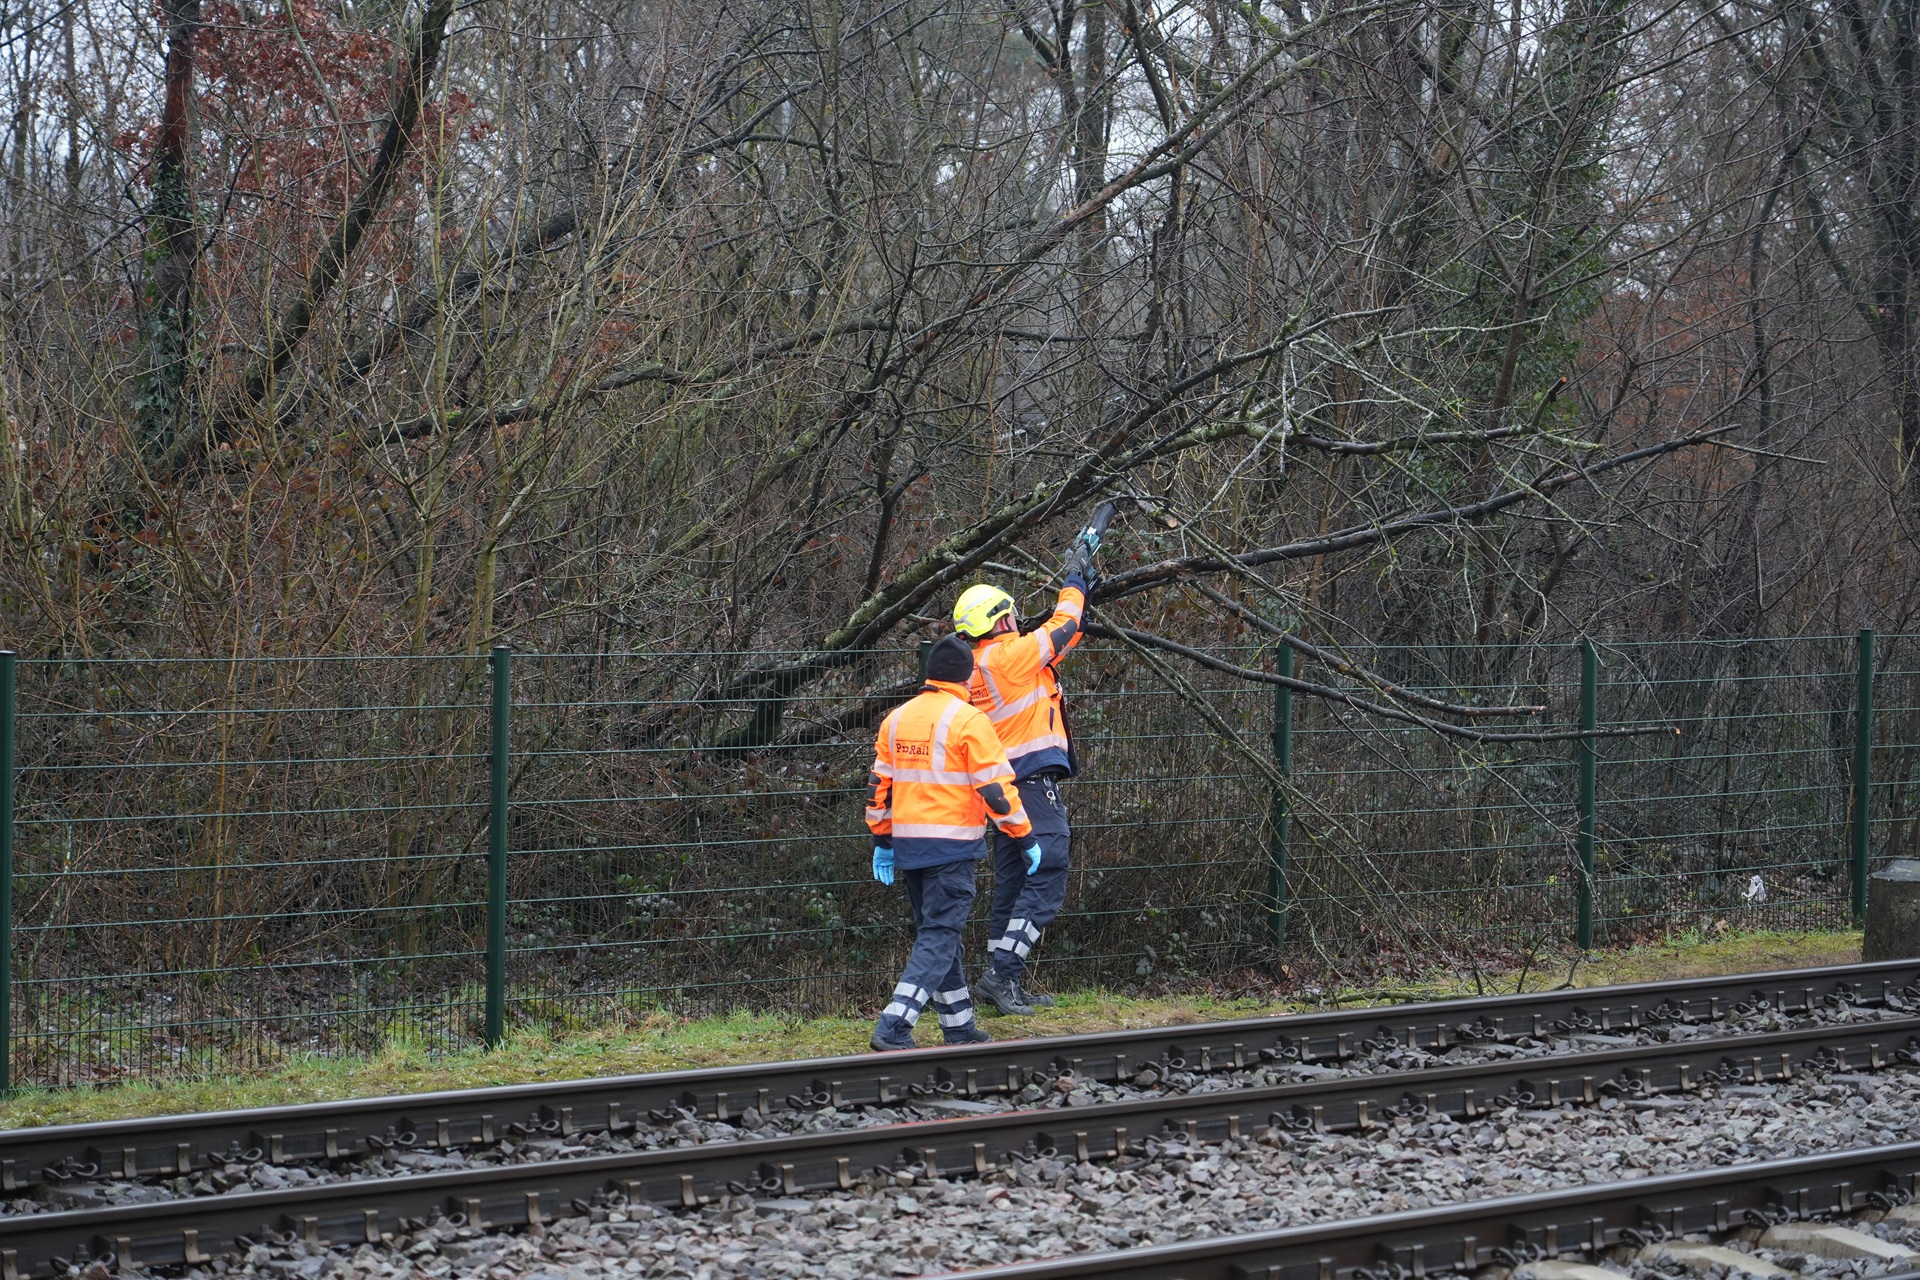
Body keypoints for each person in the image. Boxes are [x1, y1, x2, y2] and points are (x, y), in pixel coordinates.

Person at [950, 520, 1102, 1017]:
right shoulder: (1011, 656)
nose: (1018, 619)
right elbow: (1064, 625)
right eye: (1012, 614)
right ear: (1001, 621)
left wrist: (1086, 589)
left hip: (1001, 788)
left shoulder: (978, 665)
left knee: (1014, 878)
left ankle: (1002, 981)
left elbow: (1062, 641)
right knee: (1050, 867)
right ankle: (1003, 975)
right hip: (1032, 782)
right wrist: (1076, 577)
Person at [863, 633, 1042, 1052]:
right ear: (966, 677)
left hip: (909, 847)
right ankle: (894, 1023)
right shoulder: (968, 720)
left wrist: (882, 839)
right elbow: (995, 790)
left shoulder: (896, 718)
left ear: (930, 674)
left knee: (939, 936)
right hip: (952, 848)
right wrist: (1025, 835)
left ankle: (959, 1026)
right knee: (941, 936)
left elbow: (877, 790)